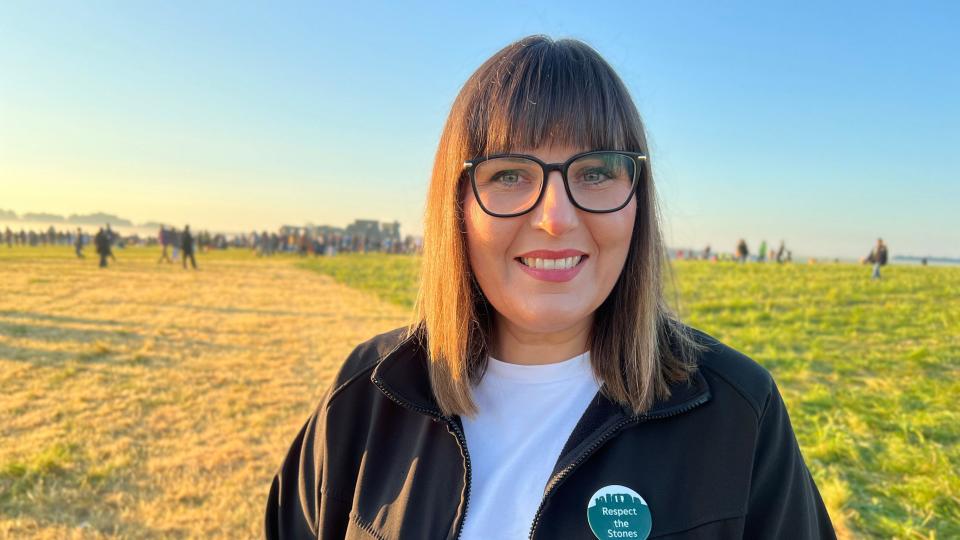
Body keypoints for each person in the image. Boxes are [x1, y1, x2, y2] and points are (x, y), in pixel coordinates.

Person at [265, 36, 835, 539]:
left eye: (595, 171)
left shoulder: (739, 413)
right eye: (510, 174)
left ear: (638, 199)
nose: (556, 217)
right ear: (456, 205)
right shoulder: (369, 393)